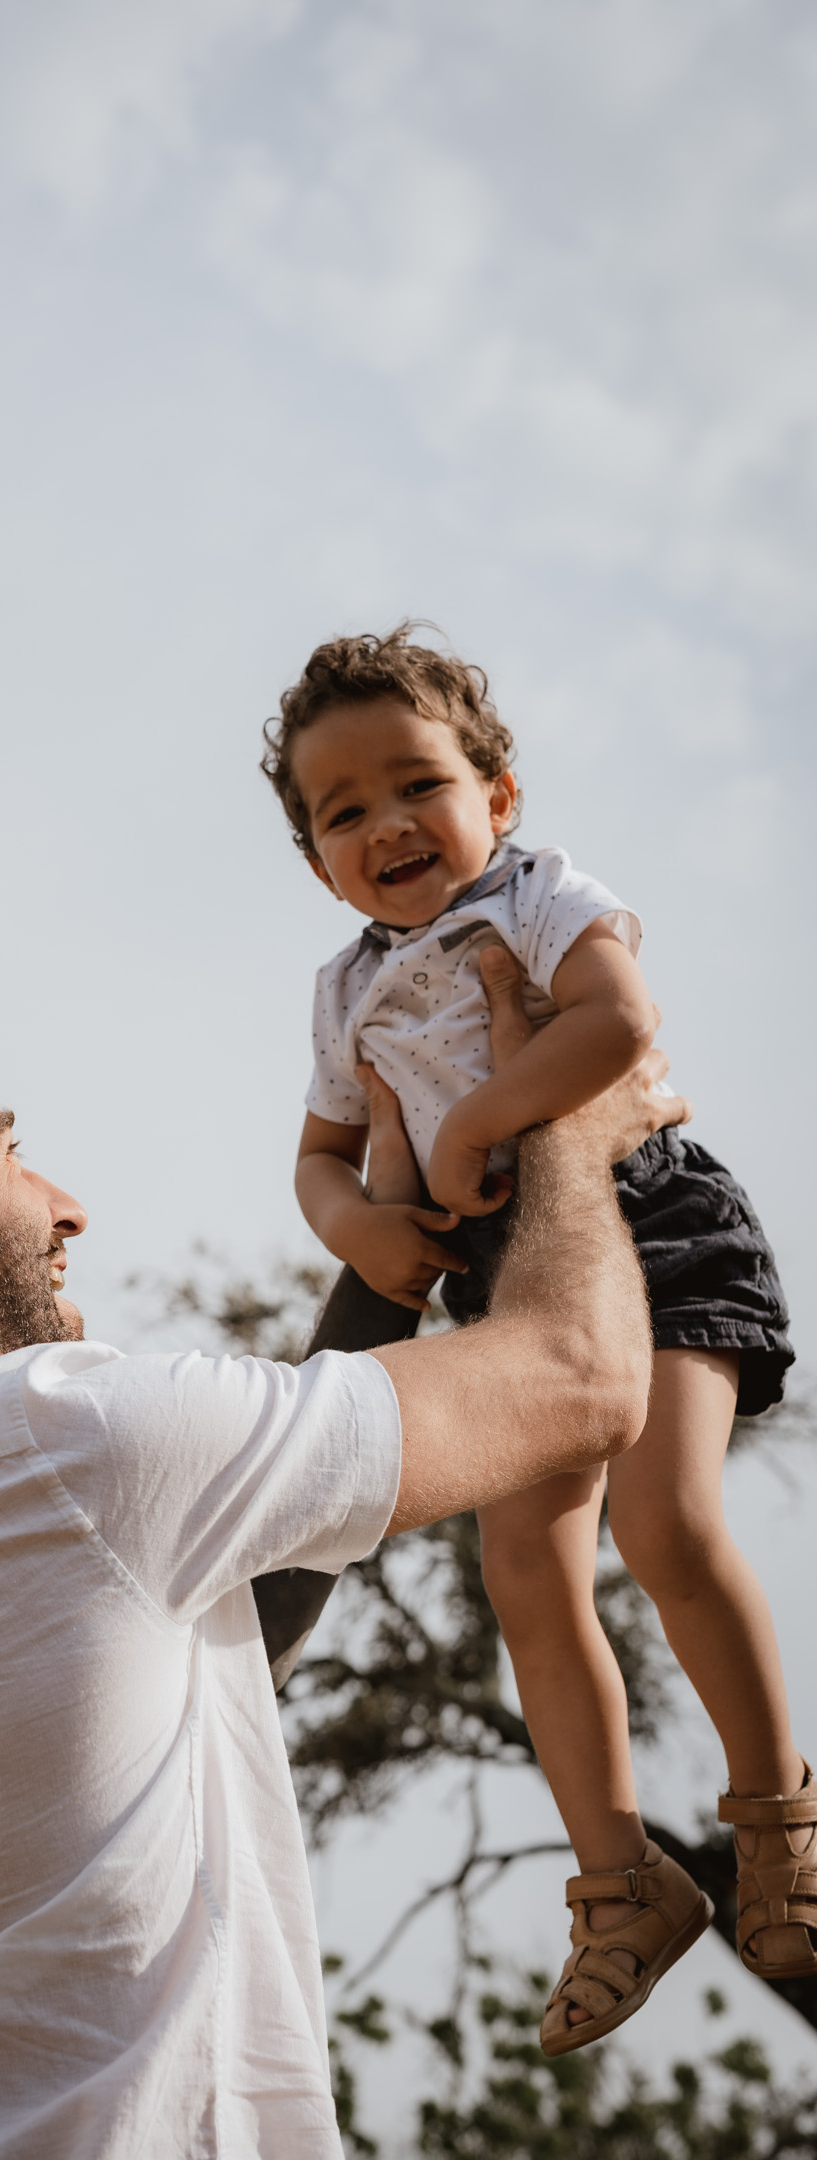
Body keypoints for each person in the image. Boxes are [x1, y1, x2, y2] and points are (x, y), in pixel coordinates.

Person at [0, 995, 675, 2155]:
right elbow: (585, 1376)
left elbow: (215, 1633)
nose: (65, 1205)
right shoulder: (59, 1440)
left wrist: (391, 1262)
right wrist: (567, 1115)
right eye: (6, 1152)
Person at [261, 621, 814, 2057]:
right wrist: (360, 1232)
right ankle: (623, 1882)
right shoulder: (342, 994)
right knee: (523, 1570)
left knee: (666, 1519)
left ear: (496, 798)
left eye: (415, 785)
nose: (385, 824)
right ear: (317, 857)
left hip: (647, 1216)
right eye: (342, 812)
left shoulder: (537, 896)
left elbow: (619, 1023)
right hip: (505, 1281)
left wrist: (478, 1118)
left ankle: (779, 1825)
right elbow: (322, 1157)